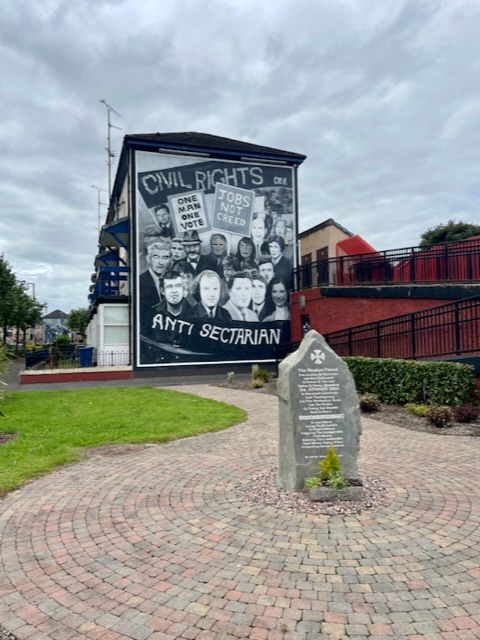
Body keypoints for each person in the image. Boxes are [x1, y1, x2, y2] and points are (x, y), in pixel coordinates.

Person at [139, 240, 171, 307]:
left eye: (165, 257)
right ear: (148, 259)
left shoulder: (173, 279)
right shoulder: (140, 282)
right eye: (156, 257)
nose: (161, 262)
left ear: (169, 260)